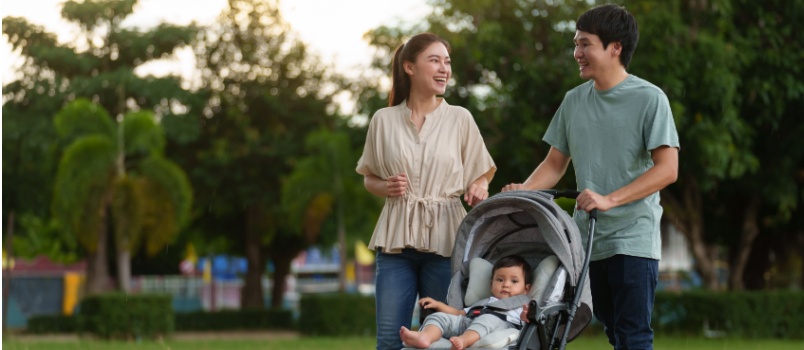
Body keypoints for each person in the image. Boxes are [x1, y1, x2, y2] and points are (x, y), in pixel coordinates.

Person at [503, 4, 679, 350]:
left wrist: (608, 199)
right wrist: (522, 191)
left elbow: (667, 169)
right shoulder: (573, 101)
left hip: (633, 238)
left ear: (615, 47)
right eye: (575, 44)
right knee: (614, 332)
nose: (577, 53)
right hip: (585, 242)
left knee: (633, 336)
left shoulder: (650, 99)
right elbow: (555, 164)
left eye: (585, 44)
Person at [356, 32, 497, 350]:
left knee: (443, 340)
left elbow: (482, 172)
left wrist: (479, 185)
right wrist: (386, 186)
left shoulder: (460, 118)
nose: (444, 68)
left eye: (447, 62)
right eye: (434, 60)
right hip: (395, 247)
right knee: (390, 340)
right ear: (409, 66)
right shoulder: (383, 120)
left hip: (446, 243)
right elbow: (370, 178)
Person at [400, 255, 532, 350]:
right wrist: (438, 305)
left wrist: (525, 316)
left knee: (488, 318)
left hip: (498, 326)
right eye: (500, 280)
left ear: (526, 289)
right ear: (491, 284)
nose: (506, 285)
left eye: (514, 281)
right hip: (468, 322)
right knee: (437, 317)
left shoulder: (523, 304)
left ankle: (463, 341)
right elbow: (459, 313)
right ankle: (425, 337)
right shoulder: (484, 302)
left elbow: (528, 320)